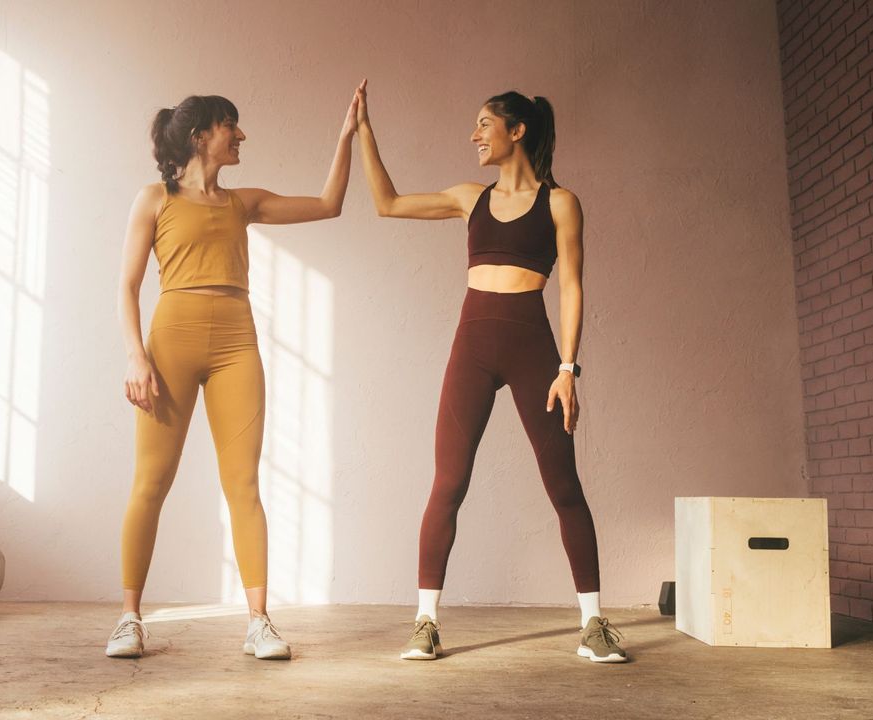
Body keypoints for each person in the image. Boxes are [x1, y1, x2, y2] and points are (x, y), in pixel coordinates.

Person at [354, 81, 627, 663]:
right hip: (472, 348)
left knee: (564, 487)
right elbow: (389, 203)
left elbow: (573, 285)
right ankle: (426, 623)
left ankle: (594, 624)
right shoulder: (467, 198)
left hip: (534, 350)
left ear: (516, 130)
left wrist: (568, 368)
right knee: (448, 483)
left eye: (484, 123)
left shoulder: (560, 203)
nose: (474, 134)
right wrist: (365, 135)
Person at [110, 88, 359, 660]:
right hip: (170, 343)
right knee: (151, 482)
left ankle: (258, 622)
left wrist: (346, 137)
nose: (241, 135)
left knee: (243, 484)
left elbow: (329, 204)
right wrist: (135, 356)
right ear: (201, 136)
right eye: (231, 126)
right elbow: (126, 285)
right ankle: (128, 618)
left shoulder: (242, 202)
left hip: (235, 345)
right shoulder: (155, 200)